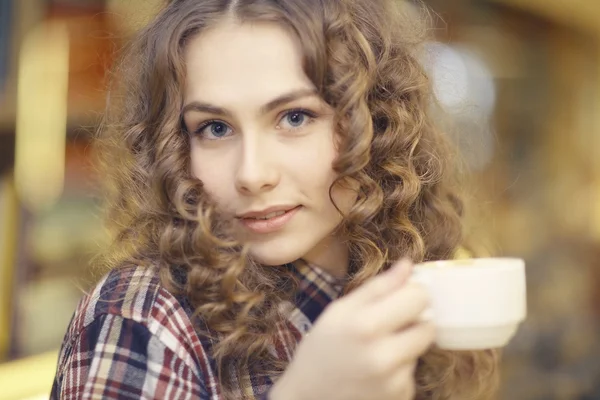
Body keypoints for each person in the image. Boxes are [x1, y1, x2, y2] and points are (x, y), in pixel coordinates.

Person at [51, 0, 499, 399]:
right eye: (216, 128)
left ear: (376, 124)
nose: (252, 174)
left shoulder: (392, 290)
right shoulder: (144, 317)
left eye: (295, 117)